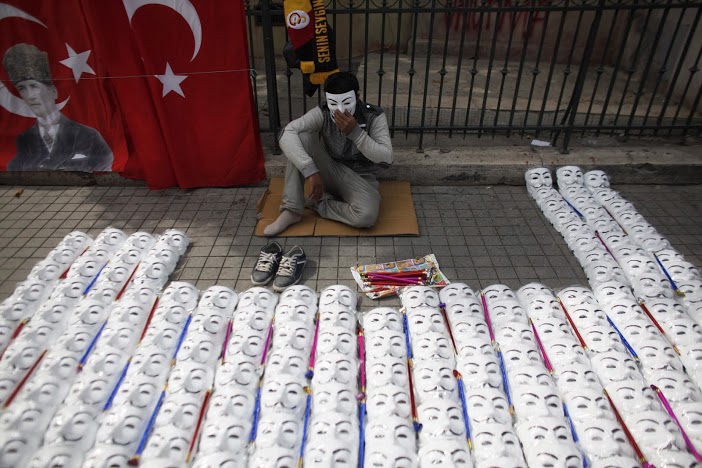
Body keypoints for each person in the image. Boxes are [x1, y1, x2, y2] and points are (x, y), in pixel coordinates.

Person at [263, 71, 393, 236]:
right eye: (333, 103)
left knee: (366, 216)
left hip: (360, 177)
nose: (340, 110)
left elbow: (387, 159)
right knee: (301, 138)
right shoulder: (323, 112)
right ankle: (292, 209)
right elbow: (286, 132)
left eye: (346, 102)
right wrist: (310, 170)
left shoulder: (373, 115)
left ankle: (318, 203)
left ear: (357, 97)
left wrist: (357, 134)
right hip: (329, 169)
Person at [3, 43, 113, 172]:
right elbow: (13, 170)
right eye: (22, 88)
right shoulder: (24, 139)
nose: (30, 96)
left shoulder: (88, 135)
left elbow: (104, 165)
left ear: (53, 91)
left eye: (34, 86)